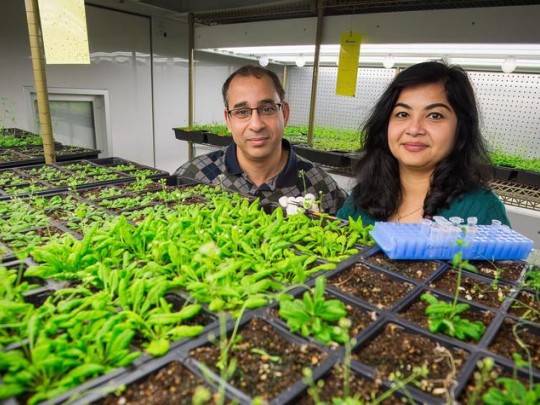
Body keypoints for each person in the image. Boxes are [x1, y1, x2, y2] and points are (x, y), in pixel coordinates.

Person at [337, 61, 510, 226]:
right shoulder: (363, 197)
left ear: (461, 128)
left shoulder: (483, 211)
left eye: (435, 116)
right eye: (403, 114)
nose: (414, 129)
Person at [174, 64, 346, 214]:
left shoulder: (321, 186)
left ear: (284, 114)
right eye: (242, 112)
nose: (256, 125)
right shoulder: (193, 176)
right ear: (228, 120)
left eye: (267, 109)